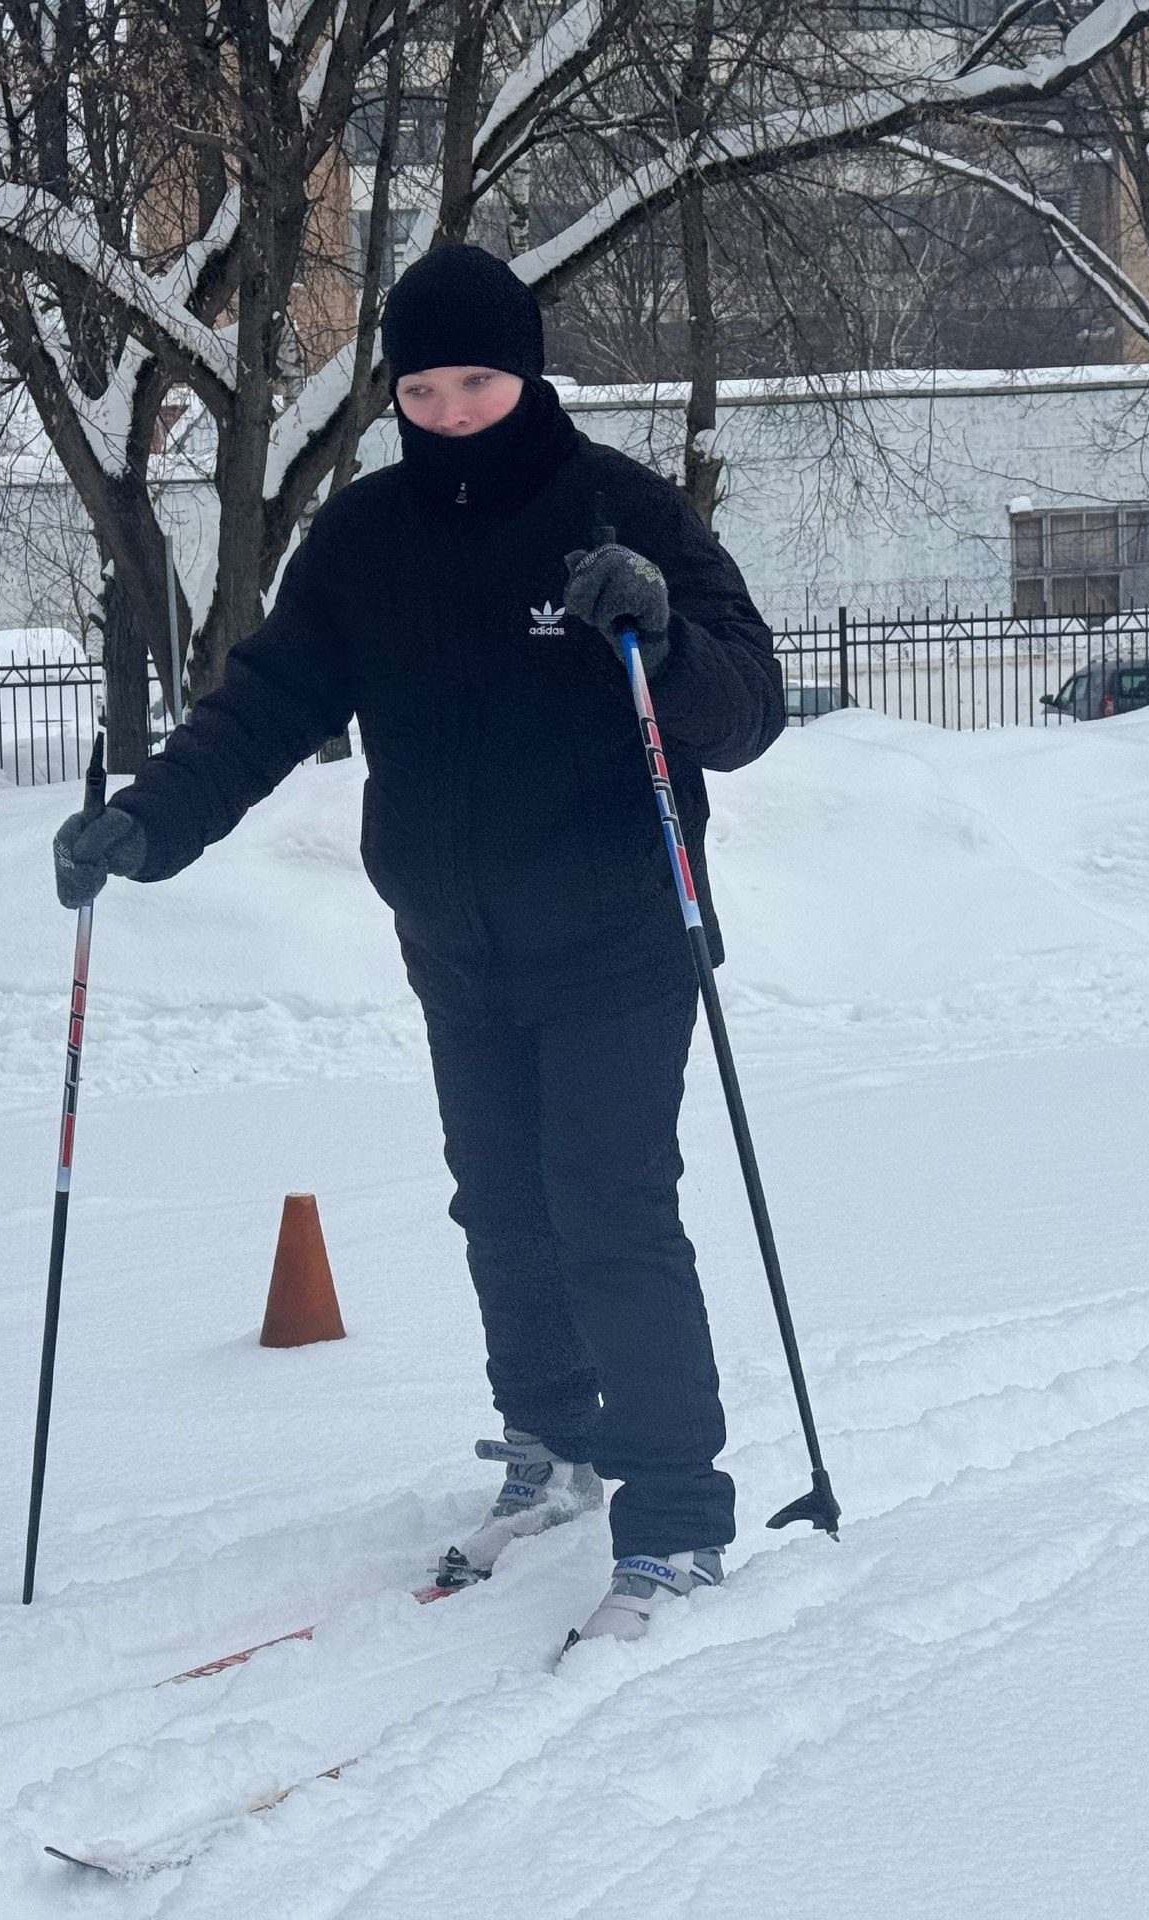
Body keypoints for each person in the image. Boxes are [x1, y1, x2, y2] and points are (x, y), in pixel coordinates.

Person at [52, 244, 785, 1644]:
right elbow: (266, 705)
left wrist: (664, 632)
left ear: (528, 375)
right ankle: (553, 1450)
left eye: (478, 383)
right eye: (424, 389)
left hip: (621, 932)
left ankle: (678, 1520)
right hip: (456, 943)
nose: (449, 412)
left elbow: (748, 709)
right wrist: (149, 824)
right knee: (500, 1202)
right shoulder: (365, 537)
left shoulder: (619, 512)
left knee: (612, 1208)